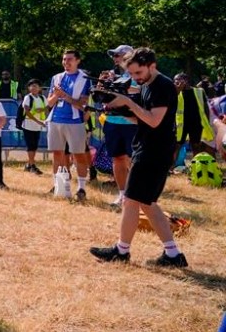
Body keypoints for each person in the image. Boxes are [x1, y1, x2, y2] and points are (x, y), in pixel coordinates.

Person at [90, 48, 188, 268]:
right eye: (132, 74)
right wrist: (120, 110)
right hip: (150, 148)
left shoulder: (162, 86)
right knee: (147, 203)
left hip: (154, 151)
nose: (135, 77)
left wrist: (128, 102)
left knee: (131, 201)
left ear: (152, 65)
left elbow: (154, 121)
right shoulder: (147, 85)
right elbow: (143, 121)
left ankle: (121, 251)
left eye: (138, 72)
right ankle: (173, 254)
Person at [46, 49, 93, 202]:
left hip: (74, 122)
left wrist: (65, 96)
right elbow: (49, 103)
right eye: (64, 59)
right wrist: (56, 95)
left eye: (70, 59)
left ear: (78, 61)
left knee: (78, 155)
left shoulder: (85, 78)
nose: (66, 62)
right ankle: (58, 185)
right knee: (57, 154)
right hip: (55, 120)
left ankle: (81, 188)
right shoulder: (57, 77)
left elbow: (82, 105)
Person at [99, 45, 139, 208]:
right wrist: (103, 86)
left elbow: (142, 90)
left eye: (118, 54)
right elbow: (104, 97)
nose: (115, 58)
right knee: (117, 159)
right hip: (112, 121)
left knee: (133, 161)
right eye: (114, 55)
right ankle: (122, 195)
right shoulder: (112, 75)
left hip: (132, 122)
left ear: (129, 55)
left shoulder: (138, 73)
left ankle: (134, 196)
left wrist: (119, 86)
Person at [173, 73, 214, 161]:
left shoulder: (199, 91)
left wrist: (206, 121)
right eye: (175, 81)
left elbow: (205, 108)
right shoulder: (174, 92)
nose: (176, 83)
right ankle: (170, 168)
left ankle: (196, 166)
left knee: (196, 146)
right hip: (181, 125)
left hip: (196, 123)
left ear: (186, 81)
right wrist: (177, 91)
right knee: (177, 146)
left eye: (178, 81)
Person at [20, 80, 48, 175]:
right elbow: (27, 111)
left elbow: (47, 108)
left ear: (39, 88)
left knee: (34, 146)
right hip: (28, 125)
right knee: (30, 146)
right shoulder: (28, 97)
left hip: (38, 126)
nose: (33, 88)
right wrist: (38, 121)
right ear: (29, 88)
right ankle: (32, 165)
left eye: (36, 86)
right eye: (31, 86)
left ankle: (29, 164)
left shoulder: (42, 97)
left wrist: (43, 111)